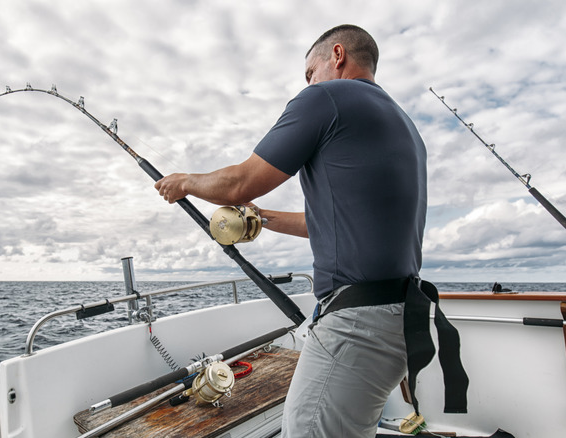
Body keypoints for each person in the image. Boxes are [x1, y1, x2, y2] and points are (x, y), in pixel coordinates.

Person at [155, 24, 427, 437]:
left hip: (358, 325)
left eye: (309, 72)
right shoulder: (403, 124)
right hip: (402, 317)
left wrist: (185, 182)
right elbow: (337, 224)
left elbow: (238, 183)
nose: (307, 83)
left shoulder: (327, 97)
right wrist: (260, 216)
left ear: (337, 56)